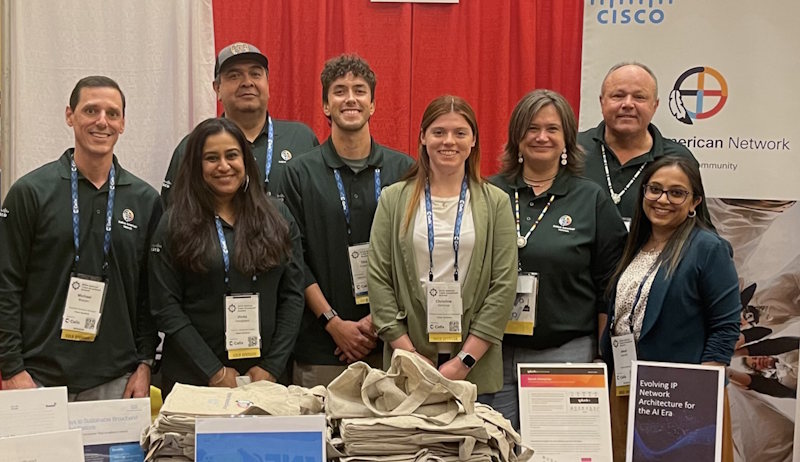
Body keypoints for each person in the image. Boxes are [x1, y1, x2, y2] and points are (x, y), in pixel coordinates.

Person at [0, 76, 161, 400]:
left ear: (123, 123)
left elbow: (150, 294)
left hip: (118, 380)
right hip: (38, 379)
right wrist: (12, 369)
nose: (102, 121)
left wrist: (144, 364)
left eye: (112, 113)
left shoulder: (145, 200)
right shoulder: (31, 192)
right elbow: (6, 284)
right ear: (69, 115)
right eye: (91, 110)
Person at [486, 89, 627, 429]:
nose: (541, 137)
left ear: (567, 139)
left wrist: (600, 355)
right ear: (517, 137)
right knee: (493, 448)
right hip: (492, 350)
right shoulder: (489, 193)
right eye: (532, 128)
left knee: (558, 450)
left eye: (552, 129)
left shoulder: (589, 197)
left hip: (566, 350)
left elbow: (610, 284)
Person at [368, 95, 517, 398]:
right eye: (439, 132)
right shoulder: (394, 199)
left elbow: (503, 286)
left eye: (460, 133)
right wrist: (410, 357)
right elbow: (379, 280)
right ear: (423, 137)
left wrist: (464, 362)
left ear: (473, 140)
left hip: (474, 367)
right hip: (408, 364)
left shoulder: (496, 202)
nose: (449, 141)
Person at [280, 54, 414, 387]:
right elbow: (294, 260)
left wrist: (379, 321)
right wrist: (333, 323)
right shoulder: (298, 172)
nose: (350, 98)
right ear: (326, 106)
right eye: (339, 91)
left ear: (372, 105)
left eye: (359, 90)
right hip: (321, 347)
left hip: (391, 344)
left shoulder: (404, 170)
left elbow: (414, 255)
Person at [149, 118, 304, 396]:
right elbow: (165, 307)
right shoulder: (174, 223)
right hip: (193, 380)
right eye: (211, 158)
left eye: (232, 155)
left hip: (264, 380)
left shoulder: (278, 217)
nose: (223, 166)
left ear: (246, 160)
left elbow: (293, 296)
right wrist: (212, 371)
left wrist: (272, 366)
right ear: (196, 166)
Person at [600, 155, 741, 461]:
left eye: (677, 192)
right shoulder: (632, 246)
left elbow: (726, 326)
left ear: (695, 202)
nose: (663, 199)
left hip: (683, 395)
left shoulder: (708, 248)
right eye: (655, 189)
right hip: (628, 384)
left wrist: (703, 392)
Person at [161, 42, 318, 205]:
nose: (247, 82)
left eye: (255, 74)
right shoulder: (192, 146)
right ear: (217, 89)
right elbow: (174, 217)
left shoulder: (301, 138)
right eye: (234, 76)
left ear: (268, 84)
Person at [578, 62, 708, 224]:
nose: (627, 104)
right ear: (602, 102)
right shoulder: (574, 149)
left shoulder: (679, 158)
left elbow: (700, 228)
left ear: (655, 105)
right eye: (618, 96)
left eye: (639, 97)